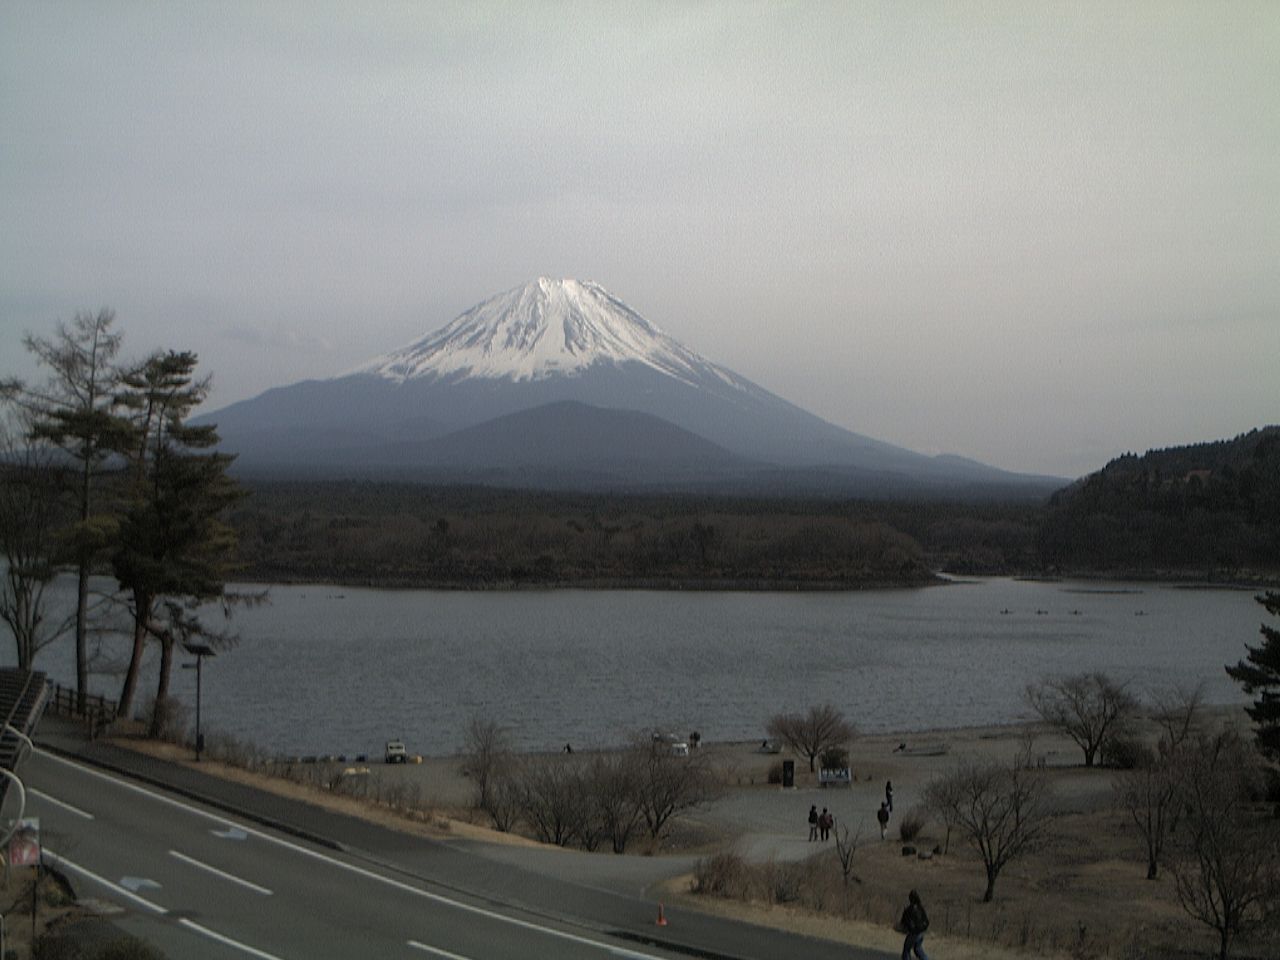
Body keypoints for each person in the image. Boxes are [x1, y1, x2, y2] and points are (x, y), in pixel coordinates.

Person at [899, 888, 930, 960]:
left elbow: (903, 923)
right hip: (922, 932)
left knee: (906, 949)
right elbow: (926, 921)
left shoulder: (909, 910)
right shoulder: (921, 908)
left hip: (914, 933)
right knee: (918, 949)